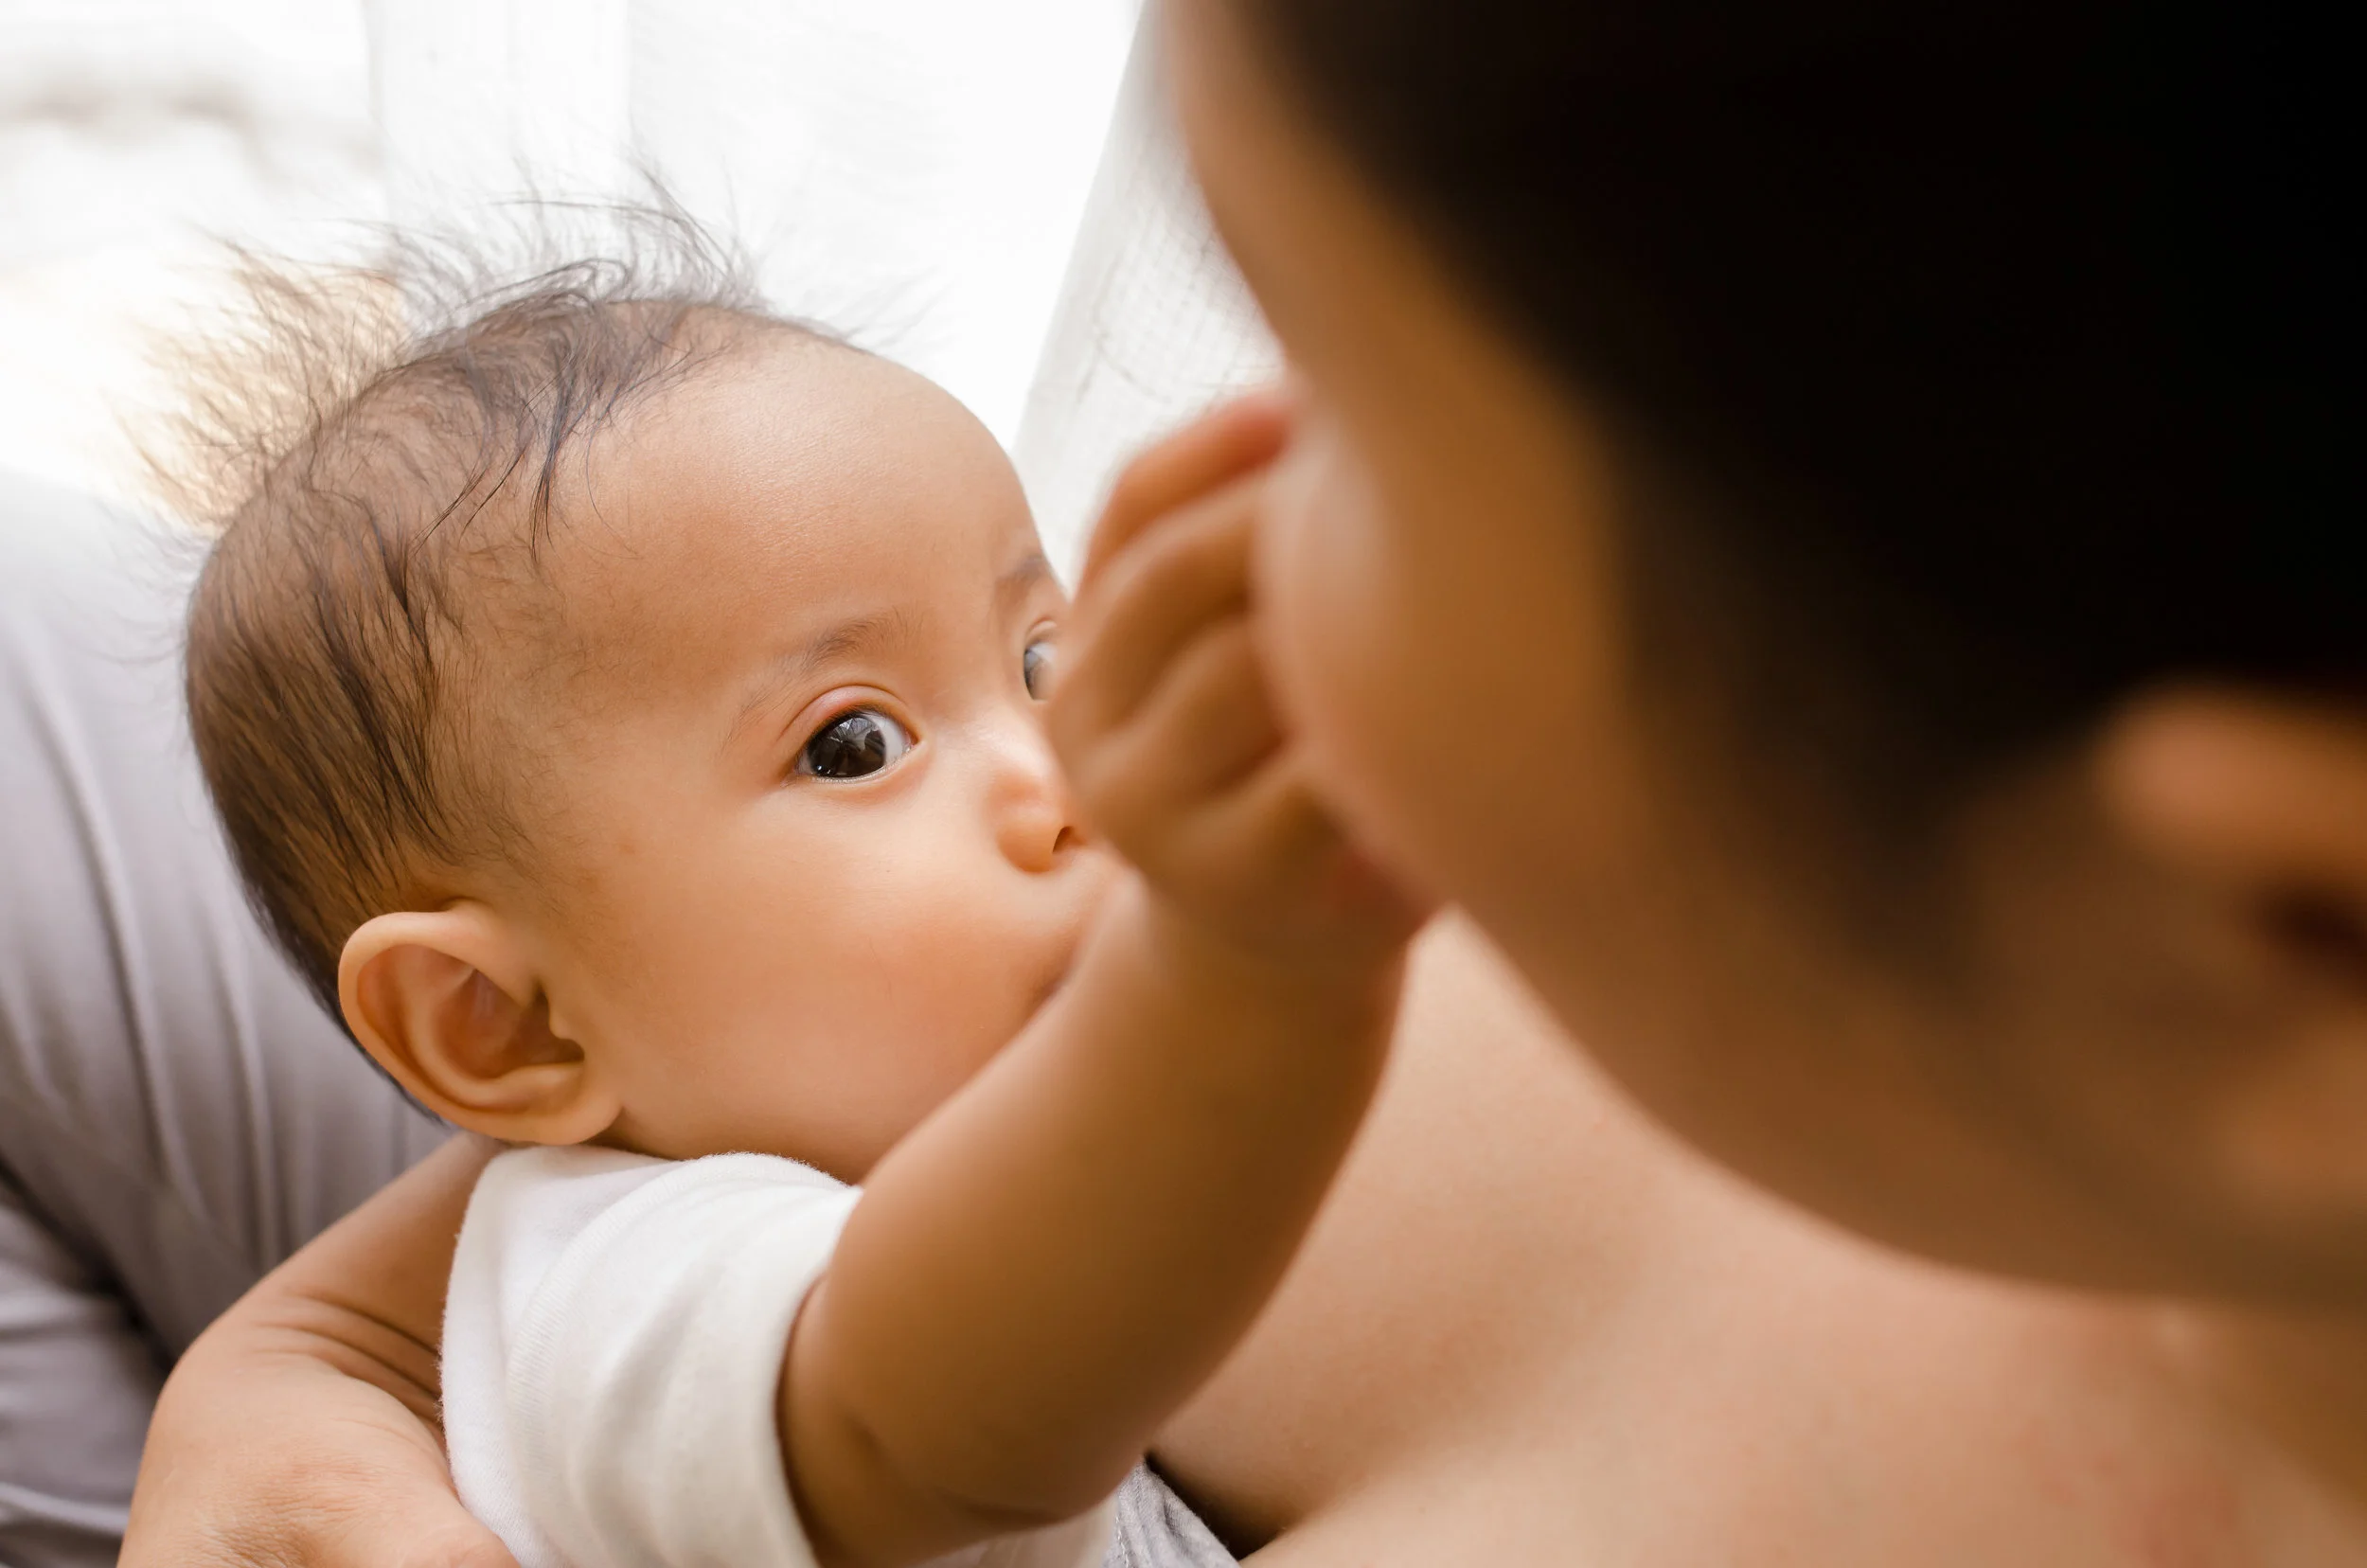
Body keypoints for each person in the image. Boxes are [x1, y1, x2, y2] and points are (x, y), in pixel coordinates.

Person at [169, 247, 1419, 1568]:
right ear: (502, 1025)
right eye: (854, 747)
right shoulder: (621, 1290)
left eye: (1044, 659)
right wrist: (1245, 990)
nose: (1063, 783)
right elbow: (927, 1418)